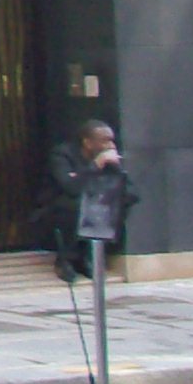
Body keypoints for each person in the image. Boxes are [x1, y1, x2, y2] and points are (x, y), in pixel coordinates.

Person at [45, 120, 134, 283]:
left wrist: (117, 169)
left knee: (116, 205)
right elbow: (70, 187)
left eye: (112, 141)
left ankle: (87, 256)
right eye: (105, 141)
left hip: (93, 203)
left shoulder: (108, 158)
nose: (111, 146)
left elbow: (131, 192)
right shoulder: (62, 155)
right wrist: (95, 165)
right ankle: (66, 259)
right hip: (58, 207)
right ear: (87, 143)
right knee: (77, 206)